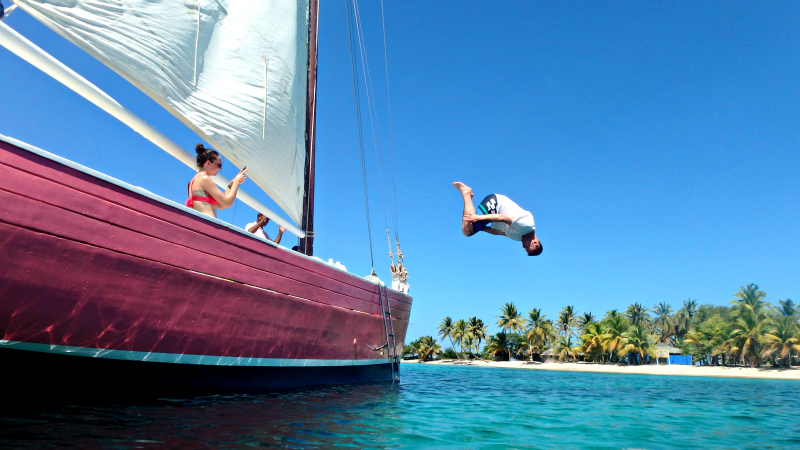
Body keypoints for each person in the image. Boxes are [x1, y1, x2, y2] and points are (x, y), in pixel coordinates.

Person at [453, 181, 542, 256]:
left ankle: (468, 198)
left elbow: (497, 231)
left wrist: (481, 229)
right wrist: (478, 218)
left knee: (467, 231)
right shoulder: (527, 225)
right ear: (535, 243)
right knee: (468, 229)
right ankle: (466, 193)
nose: (523, 247)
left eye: (525, 249)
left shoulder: (517, 237)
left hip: (493, 216)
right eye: (527, 247)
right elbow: (503, 217)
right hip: (496, 203)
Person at [186, 144, 247, 218]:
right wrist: (237, 182)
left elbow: (221, 205)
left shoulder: (194, 181)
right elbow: (227, 204)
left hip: (201, 223)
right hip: (207, 224)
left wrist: (230, 185)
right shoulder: (204, 178)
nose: (220, 168)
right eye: (219, 165)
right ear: (208, 163)